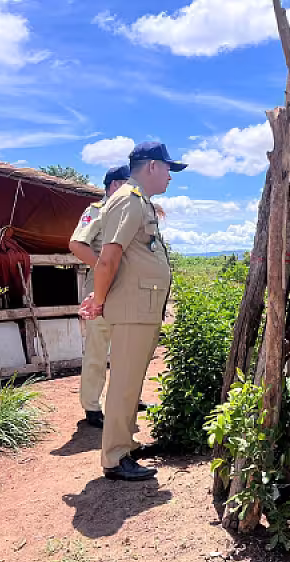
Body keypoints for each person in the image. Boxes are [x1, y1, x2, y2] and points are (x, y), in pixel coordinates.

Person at [79, 142, 186, 481]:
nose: (170, 176)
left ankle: (124, 444)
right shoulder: (129, 200)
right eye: (168, 168)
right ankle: (114, 458)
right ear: (152, 166)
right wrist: (98, 299)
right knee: (125, 384)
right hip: (132, 309)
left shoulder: (139, 201)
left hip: (141, 308)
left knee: (130, 383)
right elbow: (109, 257)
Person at [69, 165, 130, 429]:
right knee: (97, 349)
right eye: (128, 184)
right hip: (100, 292)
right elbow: (77, 244)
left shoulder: (127, 212)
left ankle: (127, 399)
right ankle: (92, 407)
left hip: (127, 292)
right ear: (115, 185)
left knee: (126, 349)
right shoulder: (97, 211)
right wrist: (103, 267)